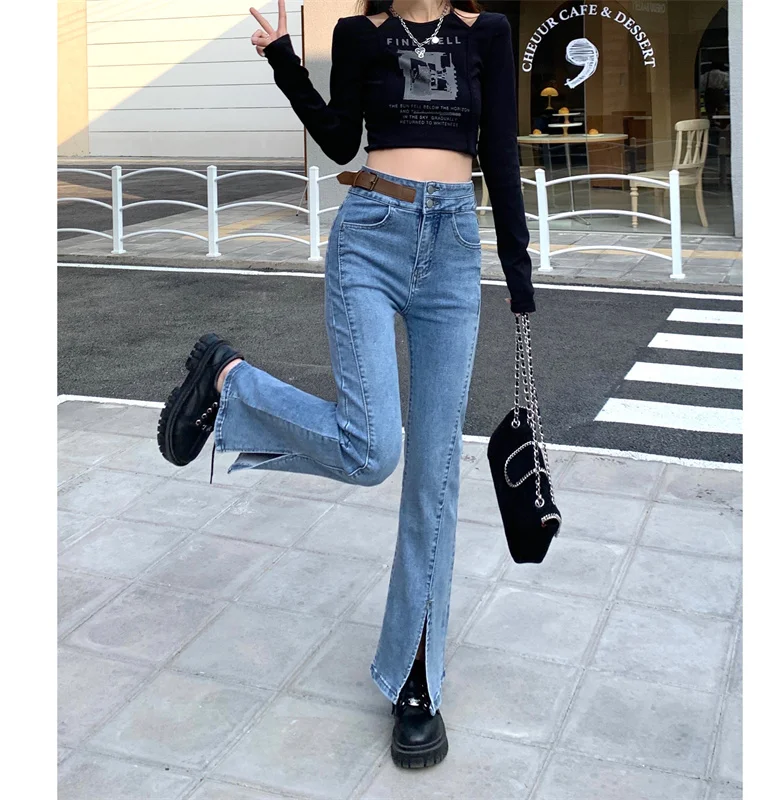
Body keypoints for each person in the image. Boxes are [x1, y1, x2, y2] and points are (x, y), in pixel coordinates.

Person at [157, 0, 536, 770]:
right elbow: (339, 139)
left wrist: (519, 272)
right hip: (371, 232)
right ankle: (232, 382)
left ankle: (416, 680)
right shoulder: (359, 34)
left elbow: (499, 151)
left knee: (434, 479)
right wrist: (284, 60)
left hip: (453, 249)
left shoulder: (488, 34)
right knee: (371, 451)